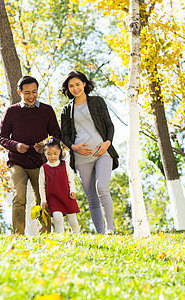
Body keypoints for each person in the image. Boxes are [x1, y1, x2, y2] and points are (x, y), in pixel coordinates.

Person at [0, 76, 60, 235]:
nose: (31, 96)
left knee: (42, 200)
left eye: (34, 92)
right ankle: (18, 236)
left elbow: (56, 135)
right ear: (19, 92)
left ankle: (45, 236)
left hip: (39, 163)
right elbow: (2, 137)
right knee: (19, 198)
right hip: (17, 162)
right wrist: (16, 146)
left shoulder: (47, 110)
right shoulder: (12, 111)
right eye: (27, 93)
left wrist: (44, 145)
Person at [60, 70, 119, 235]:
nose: (75, 88)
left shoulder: (97, 102)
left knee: (102, 188)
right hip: (81, 158)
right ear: (68, 89)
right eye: (71, 86)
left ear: (84, 84)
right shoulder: (66, 110)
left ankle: (110, 229)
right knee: (91, 197)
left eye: (78, 84)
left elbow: (109, 125)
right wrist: (74, 147)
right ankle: (100, 233)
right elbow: (63, 135)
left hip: (102, 153)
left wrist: (107, 143)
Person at [39, 137, 80, 234]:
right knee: (57, 218)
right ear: (45, 153)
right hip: (53, 198)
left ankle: (77, 236)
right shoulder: (44, 168)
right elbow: (41, 185)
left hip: (67, 196)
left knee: (73, 221)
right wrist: (43, 200)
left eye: (55, 154)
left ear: (59, 152)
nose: (52, 156)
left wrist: (72, 191)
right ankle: (60, 237)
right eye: (49, 154)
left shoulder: (64, 164)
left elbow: (71, 179)